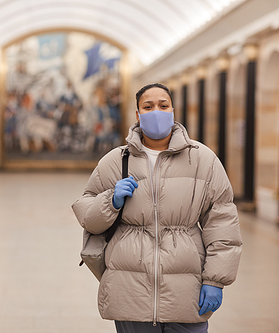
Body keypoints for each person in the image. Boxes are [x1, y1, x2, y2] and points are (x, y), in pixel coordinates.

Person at [72, 83, 242, 333]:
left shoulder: (202, 160)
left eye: (163, 105)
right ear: (138, 115)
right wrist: (111, 201)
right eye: (148, 107)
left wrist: (215, 280)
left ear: (173, 110)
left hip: (186, 289)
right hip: (130, 288)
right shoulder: (115, 160)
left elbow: (222, 223)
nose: (156, 112)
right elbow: (87, 215)